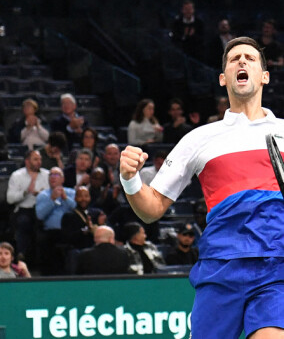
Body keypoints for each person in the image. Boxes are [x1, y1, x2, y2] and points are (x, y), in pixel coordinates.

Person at [119, 36, 284, 337]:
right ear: (223, 78)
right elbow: (151, 209)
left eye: (249, 57)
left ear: (265, 76)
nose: (242, 61)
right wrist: (129, 178)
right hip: (221, 269)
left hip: (276, 267)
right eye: (234, 59)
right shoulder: (199, 139)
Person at [6, 149, 49, 262]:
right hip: (24, 209)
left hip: (42, 209)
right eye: (35, 159)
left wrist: (43, 194)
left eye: (40, 159)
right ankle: (21, 254)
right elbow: (10, 199)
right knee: (23, 221)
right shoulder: (17, 175)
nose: (39, 162)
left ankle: (42, 260)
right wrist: (25, 192)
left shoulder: (47, 175)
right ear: (27, 162)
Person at [35, 166, 76, 275]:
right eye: (51, 175)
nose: (53, 177)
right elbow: (39, 215)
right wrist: (52, 199)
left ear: (63, 179)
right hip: (50, 232)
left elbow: (77, 210)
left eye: (56, 175)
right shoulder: (43, 195)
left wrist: (65, 198)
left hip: (69, 232)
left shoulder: (71, 193)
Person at [61, 185, 106, 250]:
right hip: (78, 250)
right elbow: (66, 238)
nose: (83, 199)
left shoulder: (97, 214)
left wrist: (101, 224)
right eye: (80, 196)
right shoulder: (69, 216)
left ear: (90, 198)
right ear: (75, 198)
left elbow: (107, 234)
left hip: (96, 250)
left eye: (86, 196)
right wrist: (84, 231)